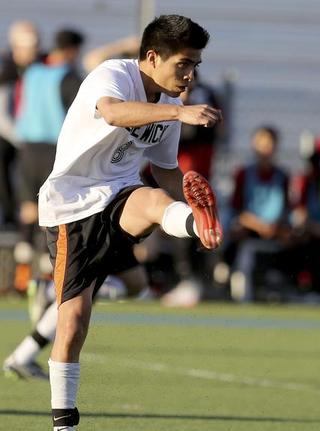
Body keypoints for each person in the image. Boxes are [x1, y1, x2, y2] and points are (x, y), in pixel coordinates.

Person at [37, 15, 222, 431]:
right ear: (152, 57)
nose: (191, 75)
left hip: (118, 194)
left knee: (155, 201)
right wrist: (180, 115)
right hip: (70, 206)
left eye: (196, 65)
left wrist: (197, 210)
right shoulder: (113, 75)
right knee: (74, 323)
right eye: (184, 64)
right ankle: (63, 423)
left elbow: (167, 171)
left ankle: (198, 228)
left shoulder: (172, 105)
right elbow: (113, 113)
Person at [15, 29, 85, 274]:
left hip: (26, 147)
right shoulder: (69, 77)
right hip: (54, 149)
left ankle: (23, 254)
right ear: (72, 51)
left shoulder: (31, 72)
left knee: (27, 207)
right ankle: (46, 265)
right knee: (50, 208)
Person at [3, 266, 148, 380]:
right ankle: (22, 358)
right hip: (89, 231)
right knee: (84, 289)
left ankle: (48, 290)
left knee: (135, 283)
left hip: (107, 231)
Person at [225, 125, 290, 301]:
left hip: (273, 229)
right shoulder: (243, 174)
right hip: (250, 228)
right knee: (236, 236)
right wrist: (259, 225)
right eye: (262, 143)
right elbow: (237, 210)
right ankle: (234, 287)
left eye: (270, 143)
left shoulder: (282, 176)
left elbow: (287, 209)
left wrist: (276, 227)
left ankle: (286, 288)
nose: (266, 148)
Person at [0, 20, 41, 226]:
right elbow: (3, 116)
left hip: (34, 136)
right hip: (12, 133)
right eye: (27, 47)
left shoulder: (42, 67)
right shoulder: (6, 71)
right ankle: (9, 215)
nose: (32, 52)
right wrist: (21, 137)